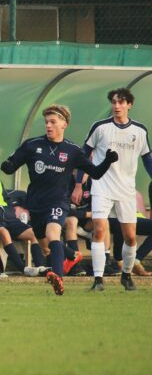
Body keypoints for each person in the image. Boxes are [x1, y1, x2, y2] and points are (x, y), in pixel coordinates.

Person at [1, 104, 117, 295]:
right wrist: (7, 166)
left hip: (58, 202)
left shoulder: (72, 150)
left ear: (64, 124)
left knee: (53, 232)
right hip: (36, 203)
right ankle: (71, 255)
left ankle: (58, 278)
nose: (48, 125)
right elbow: (11, 165)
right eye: (46, 122)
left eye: (53, 122)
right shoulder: (32, 145)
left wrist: (108, 161)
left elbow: (95, 173)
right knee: (45, 244)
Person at [72, 88, 152, 291]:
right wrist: (79, 184)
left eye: (121, 102)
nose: (117, 106)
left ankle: (126, 275)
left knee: (130, 236)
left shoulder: (140, 131)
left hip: (126, 190)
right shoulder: (100, 127)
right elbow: (84, 154)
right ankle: (98, 280)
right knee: (99, 229)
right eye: (114, 102)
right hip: (102, 186)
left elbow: (147, 159)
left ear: (129, 105)